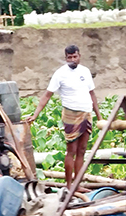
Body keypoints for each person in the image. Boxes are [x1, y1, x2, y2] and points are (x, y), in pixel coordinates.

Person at [25, 45, 102, 189]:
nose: (73, 60)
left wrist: (99, 116)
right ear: (66, 58)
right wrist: (35, 115)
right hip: (71, 114)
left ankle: (77, 184)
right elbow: (47, 95)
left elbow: (92, 94)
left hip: (86, 112)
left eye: (75, 57)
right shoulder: (60, 74)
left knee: (82, 150)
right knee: (71, 150)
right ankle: (68, 185)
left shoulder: (85, 71)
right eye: (69, 57)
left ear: (79, 56)